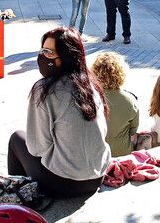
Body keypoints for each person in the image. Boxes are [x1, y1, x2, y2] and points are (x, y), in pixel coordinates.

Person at [7, 27, 111, 197]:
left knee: (16, 139)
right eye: (43, 50)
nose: (42, 57)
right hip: (96, 178)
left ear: (66, 57)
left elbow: (36, 148)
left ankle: (16, 197)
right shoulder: (92, 85)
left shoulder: (44, 90)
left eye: (49, 52)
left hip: (63, 183)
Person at [91, 52, 139, 157]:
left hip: (97, 154)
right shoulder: (130, 100)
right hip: (122, 153)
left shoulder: (90, 99)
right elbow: (133, 132)